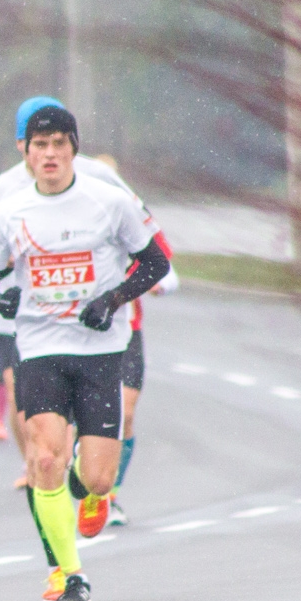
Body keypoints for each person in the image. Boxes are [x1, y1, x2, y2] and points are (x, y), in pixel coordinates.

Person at [0, 104, 169, 601]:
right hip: (39, 347)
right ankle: (70, 574)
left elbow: (156, 261)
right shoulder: (9, 209)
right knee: (44, 457)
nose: (51, 154)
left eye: (60, 143)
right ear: (25, 151)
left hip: (100, 349)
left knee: (97, 477)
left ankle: (96, 491)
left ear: (73, 147)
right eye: (41, 146)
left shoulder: (107, 201)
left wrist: (112, 299)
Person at [94, 155, 179, 525]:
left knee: (125, 414)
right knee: (89, 417)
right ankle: (89, 480)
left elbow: (169, 272)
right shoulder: (77, 220)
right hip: (85, 333)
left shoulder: (134, 217)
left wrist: (158, 284)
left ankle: (109, 495)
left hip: (128, 331)